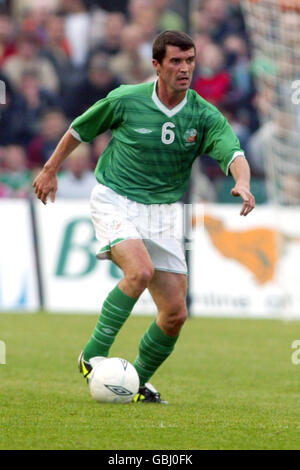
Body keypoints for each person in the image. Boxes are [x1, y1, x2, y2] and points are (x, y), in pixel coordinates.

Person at [33, 30, 255, 404]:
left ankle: (135, 383)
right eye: (176, 62)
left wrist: (244, 183)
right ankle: (91, 355)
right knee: (139, 272)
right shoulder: (126, 99)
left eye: (190, 61)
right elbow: (78, 130)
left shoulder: (203, 115)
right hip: (115, 198)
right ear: (157, 65)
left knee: (175, 314)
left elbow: (233, 153)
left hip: (164, 212)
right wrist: (50, 168)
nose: (185, 69)